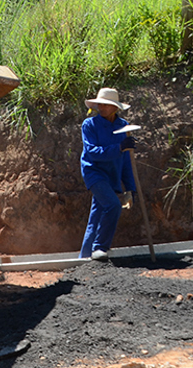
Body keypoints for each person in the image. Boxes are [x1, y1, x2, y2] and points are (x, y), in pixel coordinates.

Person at [79, 88, 137, 261]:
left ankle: (84, 259)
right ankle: (100, 248)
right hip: (94, 172)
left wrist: (130, 188)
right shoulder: (89, 125)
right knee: (112, 205)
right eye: (100, 104)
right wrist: (119, 147)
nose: (101, 107)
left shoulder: (123, 126)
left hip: (112, 175)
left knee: (97, 216)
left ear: (115, 108)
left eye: (106, 105)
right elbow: (93, 153)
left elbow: (126, 160)